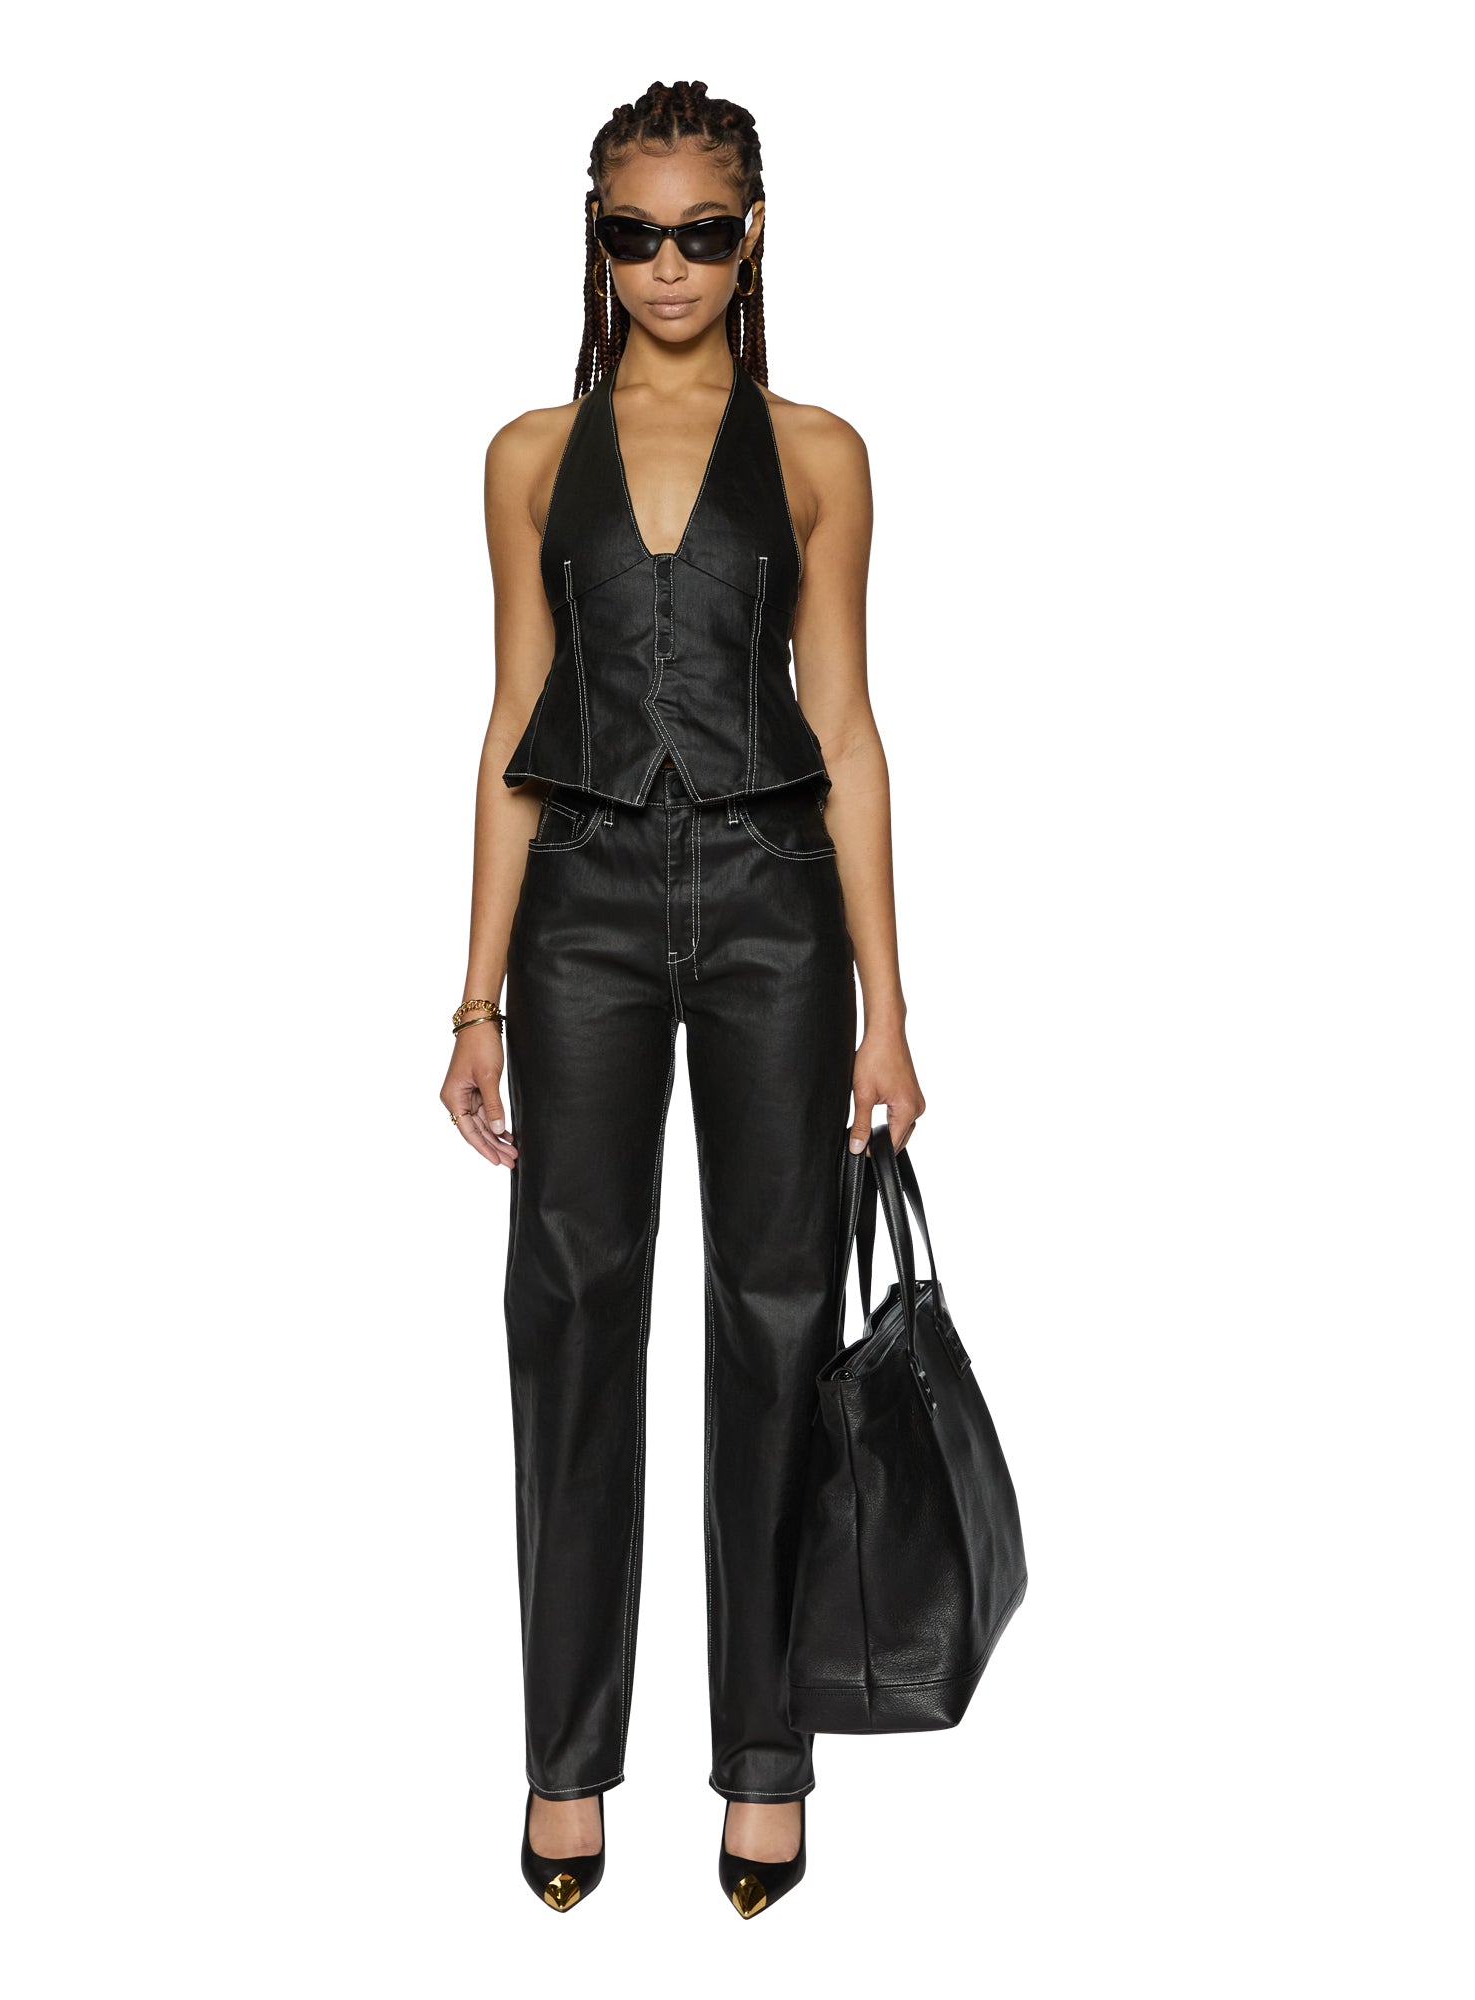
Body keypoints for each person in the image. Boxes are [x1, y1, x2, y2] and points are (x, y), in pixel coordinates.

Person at [439, 78, 925, 1919]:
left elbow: (848, 724)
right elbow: (512, 719)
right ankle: (565, 1759)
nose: (667, 267)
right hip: (577, 912)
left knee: (777, 1316)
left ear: (753, 237)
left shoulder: (817, 451)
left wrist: (890, 1005)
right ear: (596, 239)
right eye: (634, 234)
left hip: (776, 907)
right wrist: (472, 999)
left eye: (701, 234)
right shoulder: (524, 455)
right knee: (570, 1312)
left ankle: (767, 1759)